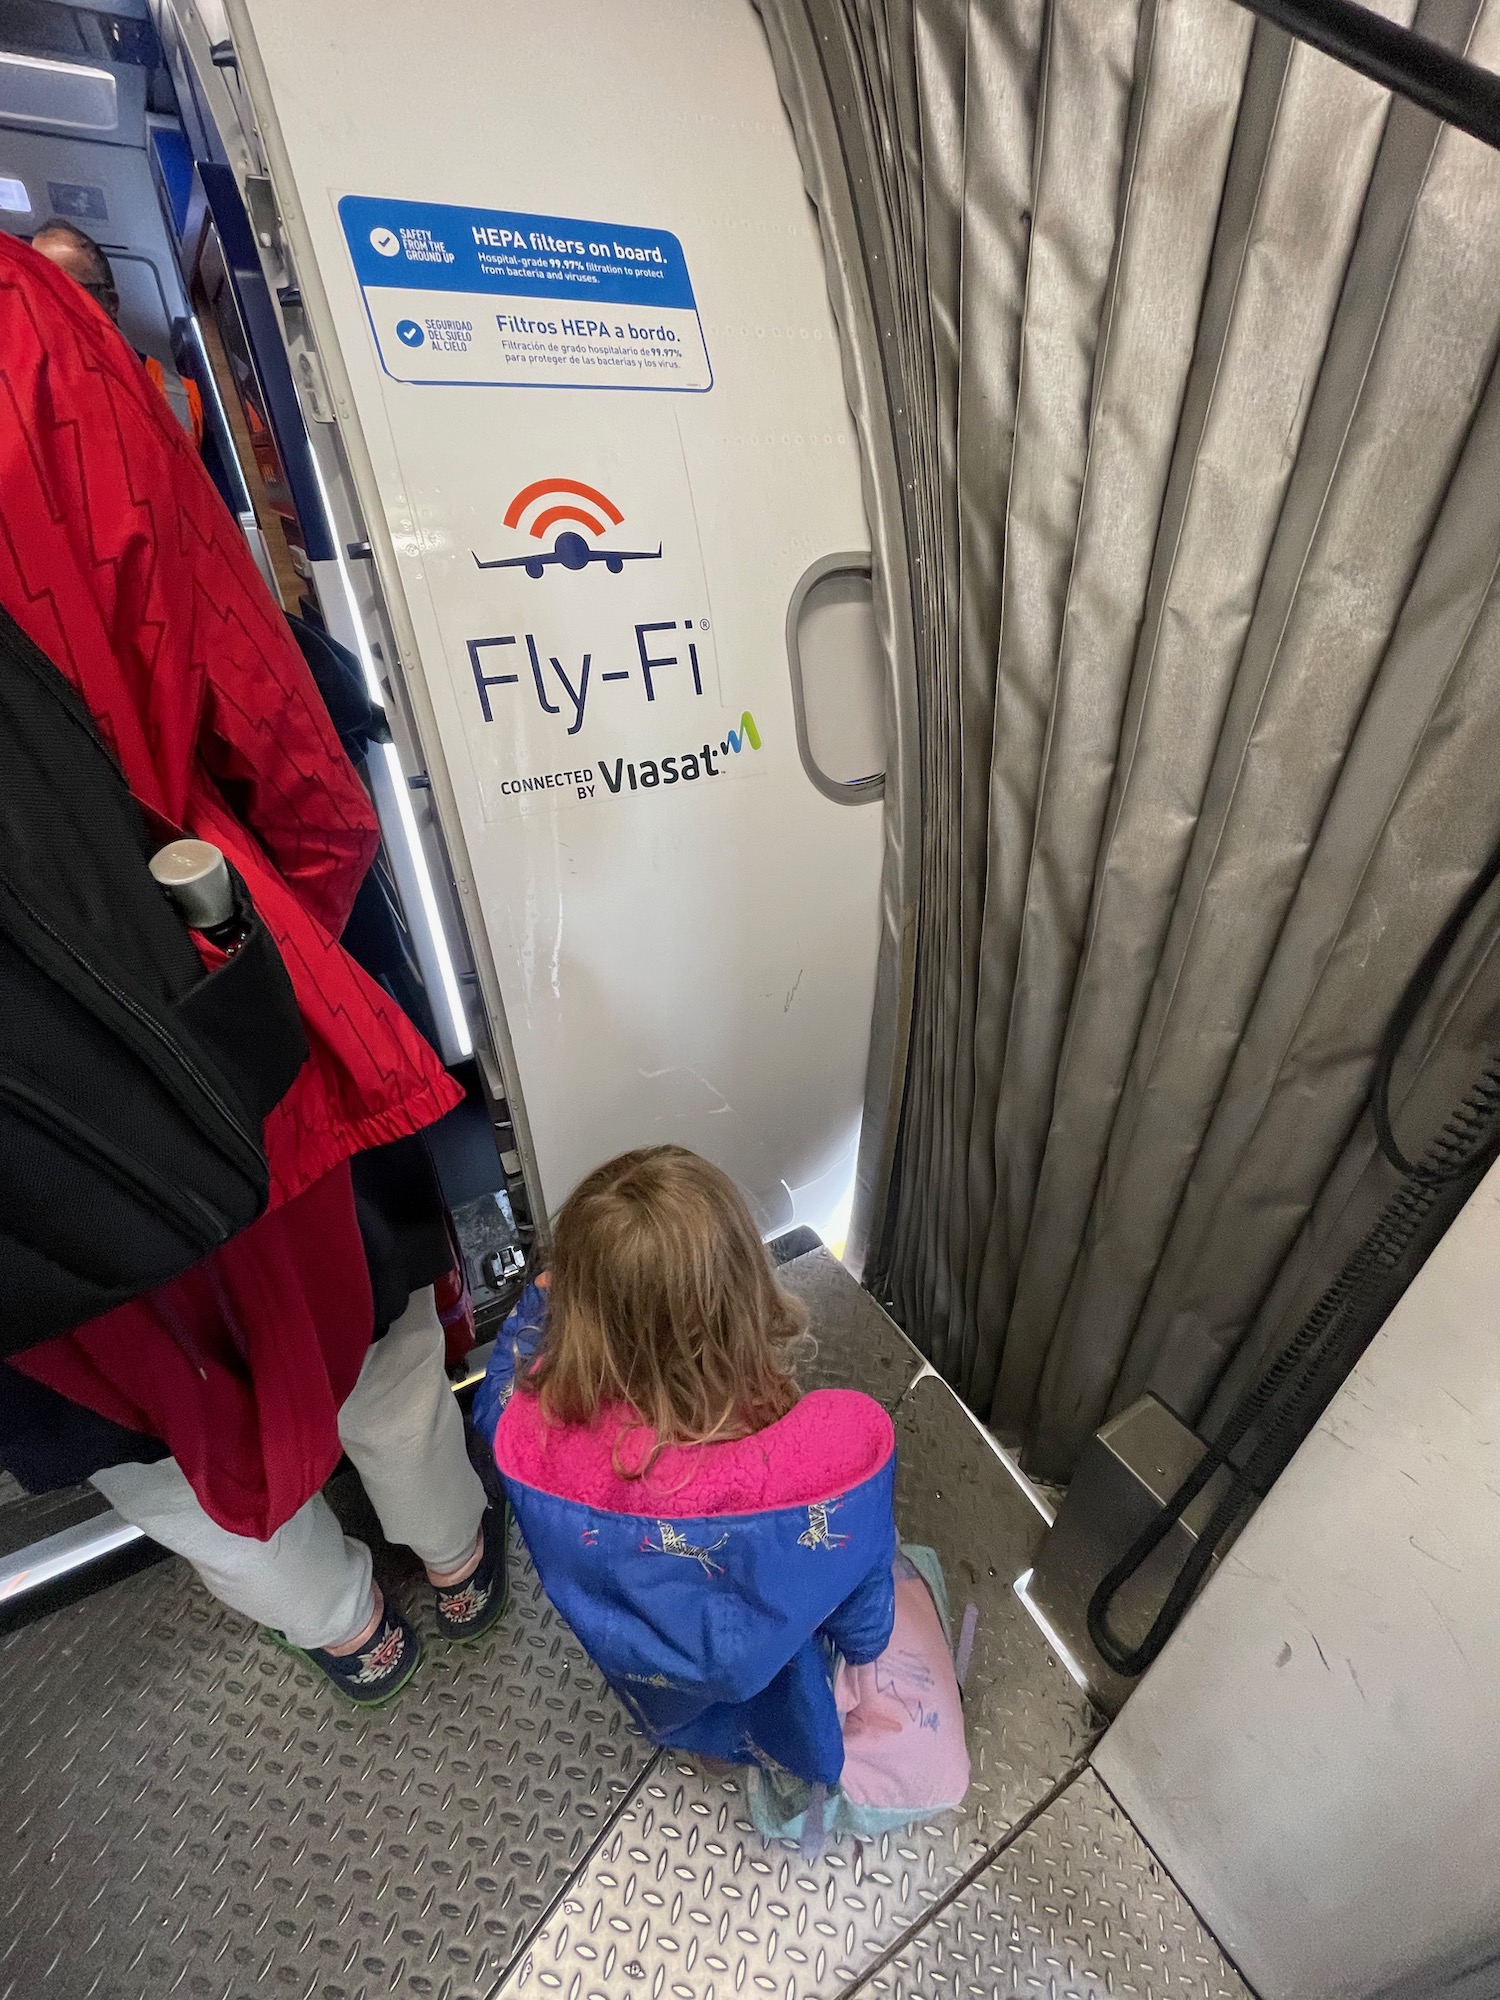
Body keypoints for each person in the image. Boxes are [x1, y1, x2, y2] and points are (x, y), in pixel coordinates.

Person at [0, 231, 504, 1702]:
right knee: (360, 1321)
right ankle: (458, 1565)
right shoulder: (28, 332)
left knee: (138, 1443)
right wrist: (288, 940)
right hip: (187, 978)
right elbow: (292, 758)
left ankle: (349, 1632)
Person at [477, 1146, 970, 1841]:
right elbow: (861, 1596)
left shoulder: (521, 1431)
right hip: (761, 1676)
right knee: (765, 1711)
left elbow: (506, 1368)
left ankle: (698, 1750)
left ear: (579, 1309)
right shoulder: (818, 1472)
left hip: (642, 1670)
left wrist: (540, 1300)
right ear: (744, 1297)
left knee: (687, 1716)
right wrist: (868, 1646)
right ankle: (753, 1755)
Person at [30, 218, 205, 445]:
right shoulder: (22, 405)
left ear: (110, 302)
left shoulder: (185, 398)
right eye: (35, 291)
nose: (47, 305)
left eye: (65, 289)